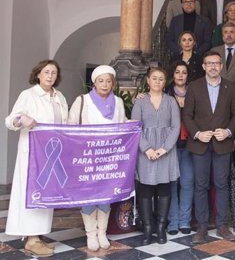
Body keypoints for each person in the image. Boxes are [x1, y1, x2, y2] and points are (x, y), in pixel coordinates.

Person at [5, 60, 69, 257]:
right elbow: (10, 121)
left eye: (53, 73)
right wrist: (22, 119)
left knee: (46, 194)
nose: (50, 76)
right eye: (46, 72)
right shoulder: (28, 95)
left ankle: (37, 236)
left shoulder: (60, 97)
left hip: (53, 155)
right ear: (38, 74)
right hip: (33, 155)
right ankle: (31, 239)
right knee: (32, 193)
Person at [183, 51, 235, 244]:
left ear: (221, 66)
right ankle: (201, 227)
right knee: (200, 185)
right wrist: (198, 134)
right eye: (209, 63)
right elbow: (187, 116)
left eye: (216, 63)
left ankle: (222, 225)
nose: (213, 67)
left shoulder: (231, 87)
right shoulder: (194, 87)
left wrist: (228, 131)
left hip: (223, 144)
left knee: (222, 184)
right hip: (200, 144)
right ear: (203, 66)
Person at [67, 65, 127, 252]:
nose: (105, 84)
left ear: (113, 83)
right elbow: (71, 126)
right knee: (88, 195)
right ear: (94, 82)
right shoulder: (82, 100)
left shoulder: (118, 102)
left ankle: (102, 233)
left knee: (105, 195)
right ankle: (90, 234)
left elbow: (123, 126)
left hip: (109, 158)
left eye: (109, 81)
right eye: (101, 81)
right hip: (87, 157)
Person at [131, 67, 180, 245]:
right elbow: (136, 126)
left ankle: (160, 228)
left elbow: (176, 127)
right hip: (146, 151)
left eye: (161, 79)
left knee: (164, 190)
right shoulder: (140, 101)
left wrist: (164, 149)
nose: (158, 82)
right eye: (154, 78)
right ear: (148, 81)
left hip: (166, 151)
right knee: (146, 191)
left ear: (164, 81)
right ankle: (148, 229)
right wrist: (147, 149)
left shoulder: (171, 101)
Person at [166, 62, 194, 236]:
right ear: (173, 74)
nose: (181, 75)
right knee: (171, 184)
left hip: (190, 145)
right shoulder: (165, 93)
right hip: (170, 145)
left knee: (187, 183)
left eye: (184, 72)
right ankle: (173, 221)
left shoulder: (195, 92)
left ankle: (185, 220)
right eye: (177, 72)